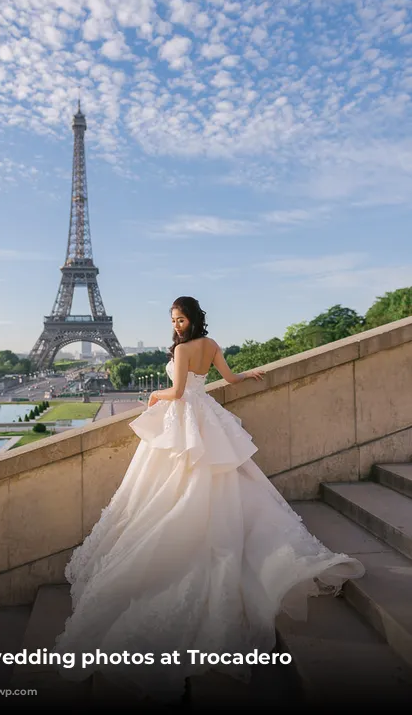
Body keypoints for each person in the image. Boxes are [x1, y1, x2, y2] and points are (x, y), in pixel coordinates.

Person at [53, 296, 365, 703]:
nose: (177, 325)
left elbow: (179, 391)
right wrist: (247, 374)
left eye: (180, 319)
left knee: (174, 485)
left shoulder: (182, 349)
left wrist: (152, 397)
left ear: (191, 319)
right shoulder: (212, 344)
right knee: (220, 482)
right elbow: (228, 380)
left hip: (185, 420)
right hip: (209, 421)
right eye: (174, 320)